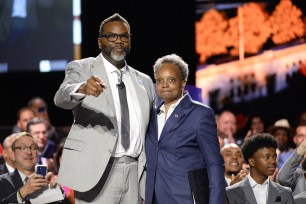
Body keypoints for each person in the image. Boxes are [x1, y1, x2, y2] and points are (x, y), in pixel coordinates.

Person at [54, 13, 155, 203]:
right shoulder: (83, 68)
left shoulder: (144, 81)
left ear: (130, 41)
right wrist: (82, 87)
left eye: (124, 36)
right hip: (98, 171)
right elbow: (61, 98)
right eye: (111, 36)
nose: (118, 41)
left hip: (136, 171)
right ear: (100, 42)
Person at [145, 54, 226, 204]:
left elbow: (214, 164)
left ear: (183, 82)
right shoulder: (150, 116)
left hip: (185, 199)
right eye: (159, 80)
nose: (164, 85)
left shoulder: (200, 114)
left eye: (171, 80)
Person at [226, 133, 294, 204]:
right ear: (252, 162)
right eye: (266, 157)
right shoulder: (232, 192)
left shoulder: (285, 193)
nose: (273, 161)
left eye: (274, 157)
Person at [0, 132, 63, 203]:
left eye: (33, 148)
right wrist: (22, 192)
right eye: (23, 148)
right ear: (14, 153)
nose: (29, 152)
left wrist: (59, 192)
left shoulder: (47, 180)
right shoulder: (2, 181)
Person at [277, 130, 306, 196]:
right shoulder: (299, 174)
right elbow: (282, 178)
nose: (304, 139)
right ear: (295, 139)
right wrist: (302, 148)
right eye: (301, 136)